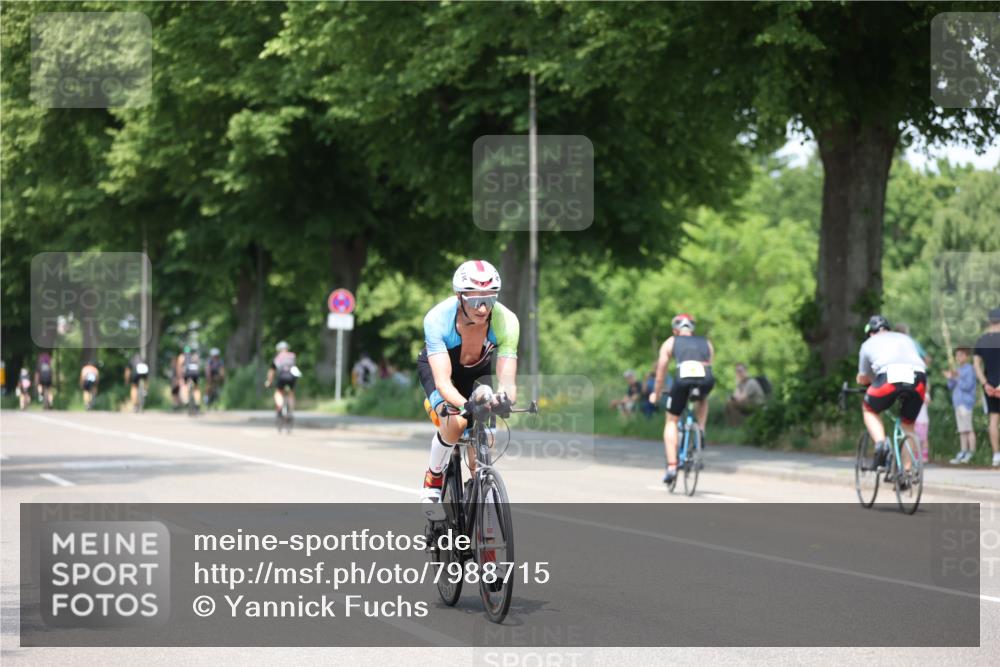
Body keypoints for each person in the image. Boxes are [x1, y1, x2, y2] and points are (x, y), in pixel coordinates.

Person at [416, 260, 518, 520]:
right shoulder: (438, 319)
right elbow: (443, 382)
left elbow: (507, 381)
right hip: (441, 372)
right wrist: (465, 407)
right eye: (474, 301)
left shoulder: (507, 321)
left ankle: (483, 528)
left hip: (476, 375)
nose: (483, 308)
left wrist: (505, 399)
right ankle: (433, 478)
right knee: (458, 421)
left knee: (482, 450)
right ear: (459, 297)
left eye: (490, 299)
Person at [856, 315, 927, 478]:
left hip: (888, 377)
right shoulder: (904, 338)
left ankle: (881, 444)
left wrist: (866, 382)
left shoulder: (867, 344)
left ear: (870, 333)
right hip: (919, 378)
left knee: (869, 409)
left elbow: (863, 377)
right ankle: (906, 473)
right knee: (908, 425)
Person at [650, 313, 715, 485]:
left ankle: (672, 466)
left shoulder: (671, 342)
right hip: (706, 377)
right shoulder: (706, 343)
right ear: (692, 329)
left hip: (683, 377)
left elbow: (661, 372)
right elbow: (710, 365)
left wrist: (656, 393)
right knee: (702, 398)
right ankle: (701, 428)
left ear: (675, 330)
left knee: (671, 419)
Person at [895, 323, 932, 461]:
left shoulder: (895, 345)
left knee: (905, 421)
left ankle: (907, 458)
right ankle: (915, 456)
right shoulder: (913, 343)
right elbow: (927, 359)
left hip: (900, 377)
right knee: (910, 421)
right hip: (919, 376)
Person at [973, 307, 1000, 467]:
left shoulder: (981, 340)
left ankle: (996, 455)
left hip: (989, 386)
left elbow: (976, 364)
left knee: (993, 420)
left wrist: (986, 384)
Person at [944, 348, 978, 464]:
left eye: (961, 355)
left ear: (967, 356)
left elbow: (968, 386)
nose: (958, 357)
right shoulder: (957, 370)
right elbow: (950, 386)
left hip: (966, 403)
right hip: (957, 403)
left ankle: (971, 452)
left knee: (968, 428)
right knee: (962, 430)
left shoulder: (970, 370)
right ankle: (963, 451)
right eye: (957, 355)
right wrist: (950, 378)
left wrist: (957, 377)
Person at [265, 341, 299, 416]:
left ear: (279, 349)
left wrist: (269, 381)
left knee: (278, 392)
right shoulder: (292, 356)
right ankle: (290, 410)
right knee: (291, 393)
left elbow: (271, 371)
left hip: (282, 376)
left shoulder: (277, 357)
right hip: (292, 376)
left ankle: (280, 407)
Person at [175, 345, 202, 410]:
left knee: (184, 386)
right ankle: (197, 402)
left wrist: (180, 378)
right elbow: (198, 365)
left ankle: (186, 400)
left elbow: (178, 368)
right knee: (196, 388)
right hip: (195, 373)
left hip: (187, 373)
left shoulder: (182, 357)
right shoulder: (194, 356)